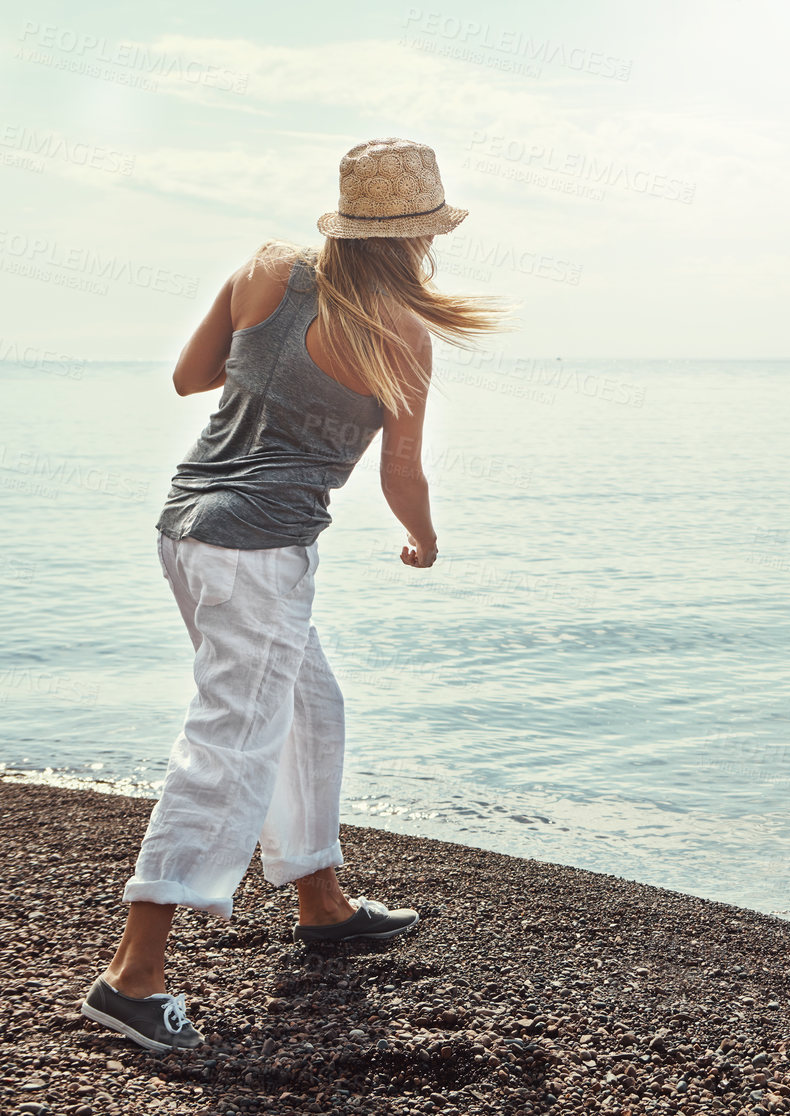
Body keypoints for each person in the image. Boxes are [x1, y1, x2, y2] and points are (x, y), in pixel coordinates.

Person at [79, 137, 515, 1053]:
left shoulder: (265, 270)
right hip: (259, 550)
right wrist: (423, 540)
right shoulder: (399, 331)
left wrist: (269, 364)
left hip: (188, 526)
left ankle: (320, 898)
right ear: (417, 238)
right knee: (230, 740)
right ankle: (132, 974)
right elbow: (403, 470)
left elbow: (191, 378)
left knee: (308, 708)